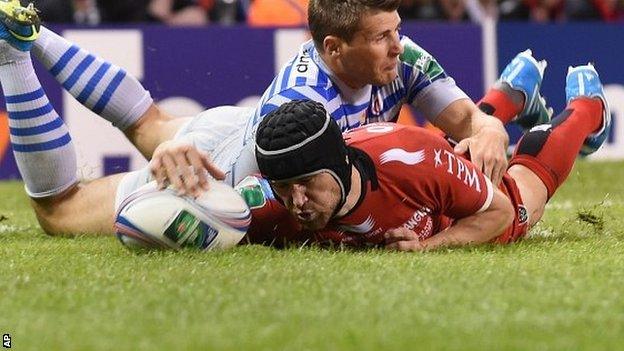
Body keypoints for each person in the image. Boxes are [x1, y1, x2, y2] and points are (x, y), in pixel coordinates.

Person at [0, 0, 549, 236]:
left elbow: (467, 121)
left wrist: (490, 127)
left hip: (238, 127)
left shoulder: (399, 60)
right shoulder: (303, 112)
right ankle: (13, 52)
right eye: (382, 37)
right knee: (60, 211)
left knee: (149, 123)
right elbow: (309, 208)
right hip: (232, 168)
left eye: (397, 30)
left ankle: (27, 27)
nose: (397, 46)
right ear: (335, 48)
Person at [243, 79, 610, 249]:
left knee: (521, 201)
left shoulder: (407, 158)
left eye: (307, 182)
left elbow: (496, 213)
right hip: (431, 176)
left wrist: (429, 245)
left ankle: (588, 108)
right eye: (283, 187)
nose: (298, 201)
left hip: (441, 183)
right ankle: (512, 91)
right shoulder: (272, 209)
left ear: (337, 164)